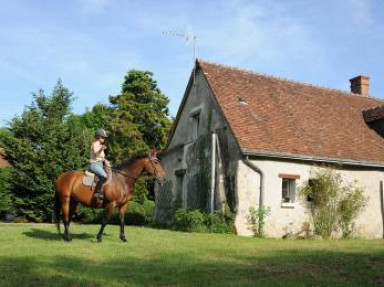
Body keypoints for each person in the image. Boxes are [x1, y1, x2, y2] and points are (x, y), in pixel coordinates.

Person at [89, 128, 109, 200]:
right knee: (104, 176)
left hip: (100, 164)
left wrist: (105, 161)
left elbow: (101, 157)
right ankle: (97, 193)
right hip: (94, 164)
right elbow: (95, 154)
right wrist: (101, 149)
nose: (104, 138)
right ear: (98, 137)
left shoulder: (100, 145)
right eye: (103, 137)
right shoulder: (95, 144)